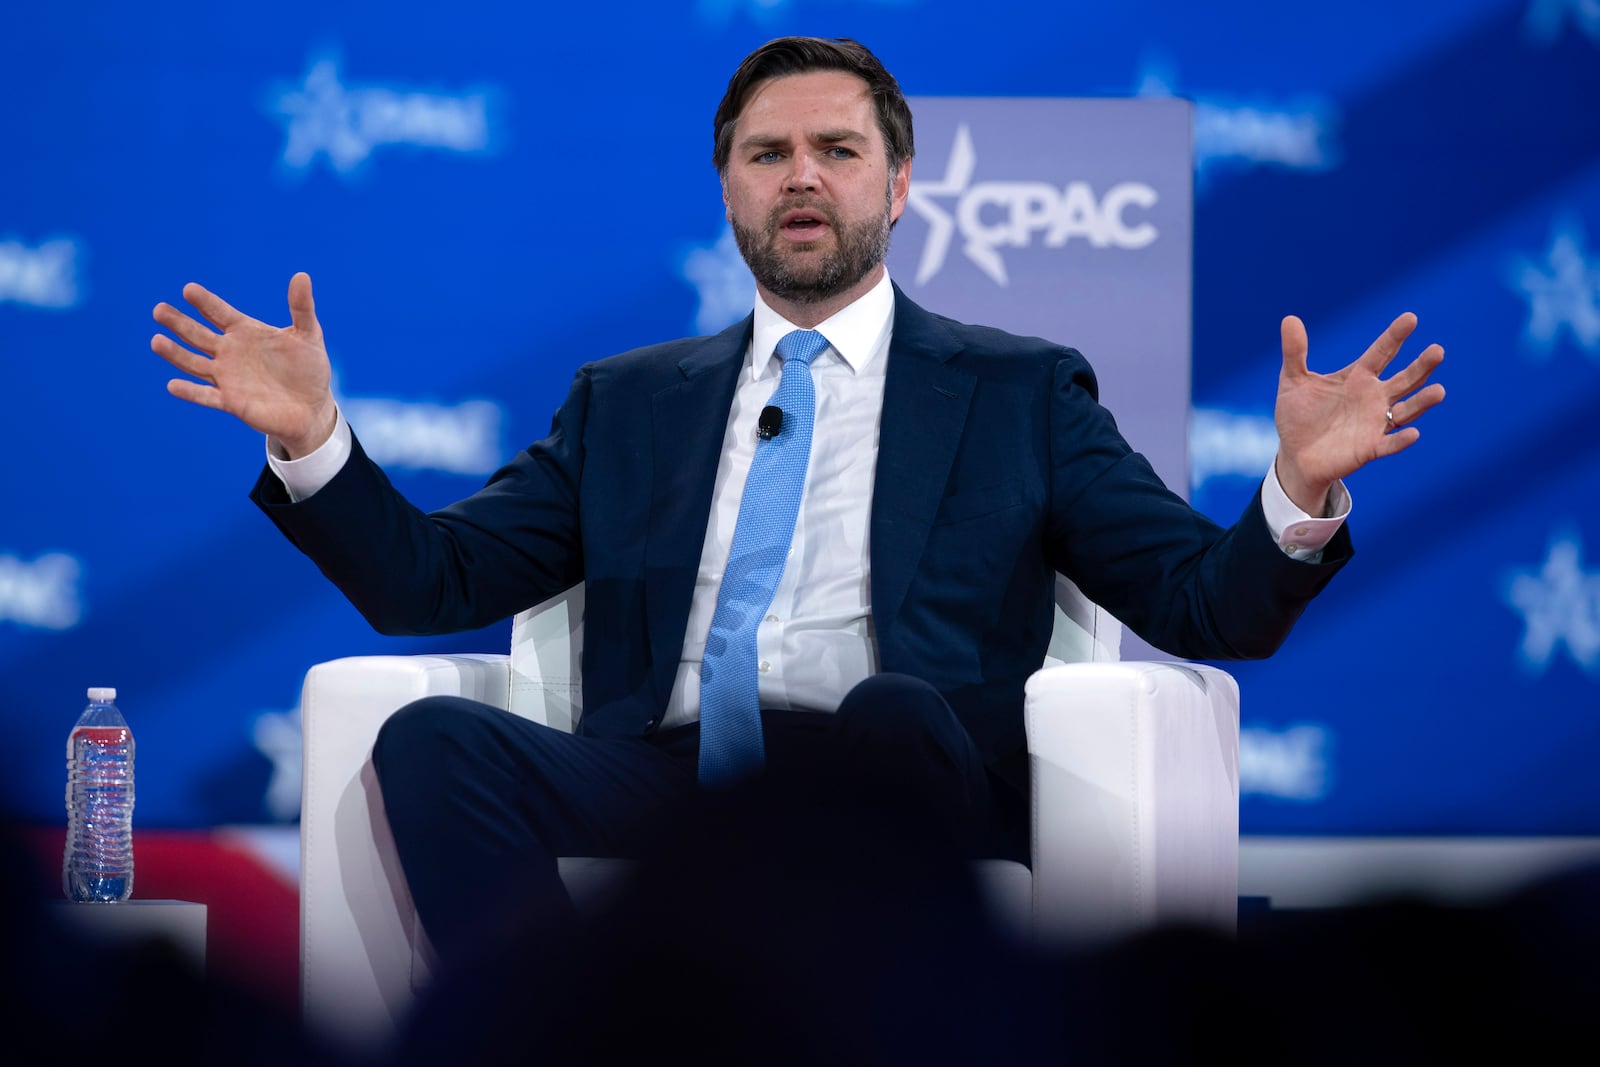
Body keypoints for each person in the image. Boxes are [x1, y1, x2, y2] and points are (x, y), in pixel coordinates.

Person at [150, 37, 1445, 968]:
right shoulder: (627, 400)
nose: (802, 176)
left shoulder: (1021, 391)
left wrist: (1299, 486)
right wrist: (318, 441)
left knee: (887, 713)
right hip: (670, 775)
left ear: (900, 184)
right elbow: (429, 583)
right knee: (434, 748)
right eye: (769, 154)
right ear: (728, 190)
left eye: (838, 149)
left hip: (907, 766)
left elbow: (1196, 598)